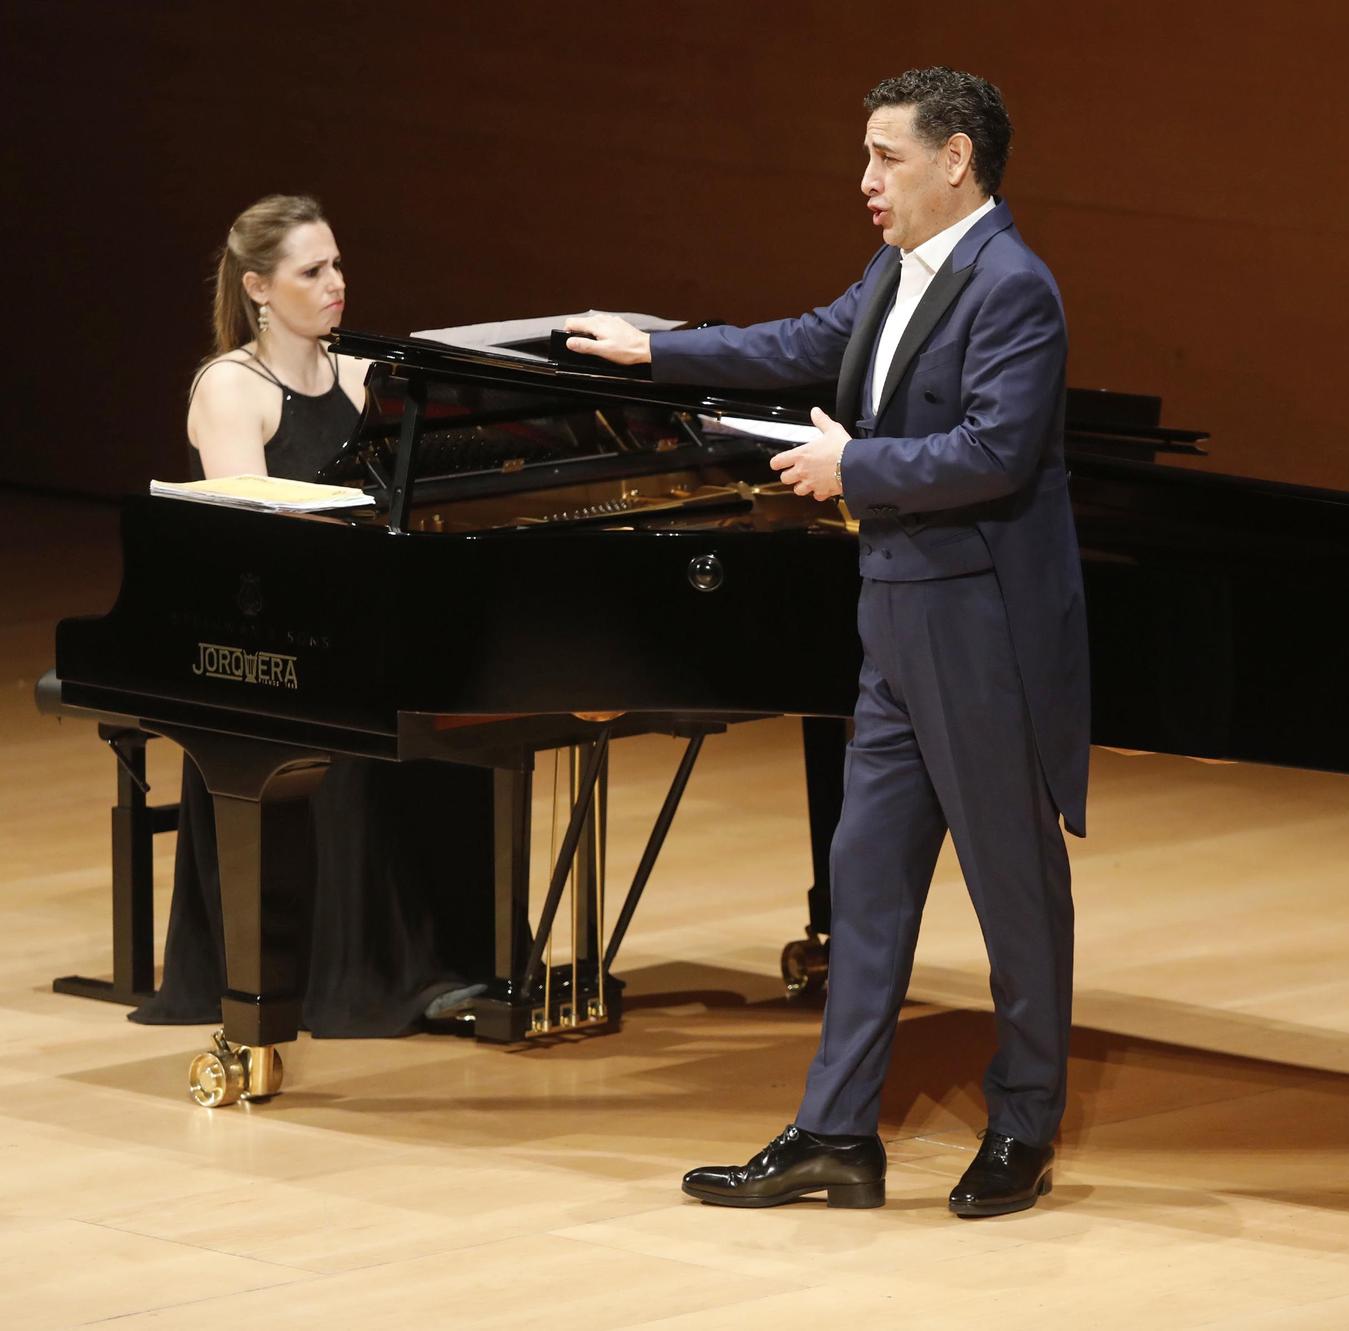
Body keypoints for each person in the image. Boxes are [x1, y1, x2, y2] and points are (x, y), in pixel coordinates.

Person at [567, 67, 1086, 1217]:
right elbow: (801, 341)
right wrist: (656, 353)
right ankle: (836, 1132)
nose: (864, 181)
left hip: (980, 626)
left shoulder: (1014, 288)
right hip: (894, 614)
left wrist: (854, 465)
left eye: (884, 158)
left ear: (955, 160)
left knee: (1014, 889)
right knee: (865, 878)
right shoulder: (895, 271)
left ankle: (1024, 1124)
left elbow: (993, 451)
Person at [134, 194, 493, 1036]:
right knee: (363, 731)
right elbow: (252, 543)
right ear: (259, 287)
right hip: (265, 646)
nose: (337, 284)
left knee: (467, 721)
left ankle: (467, 960)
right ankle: (370, 976)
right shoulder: (230, 386)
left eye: (337, 265)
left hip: (350, 627)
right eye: (313, 270)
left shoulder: (361, 375)